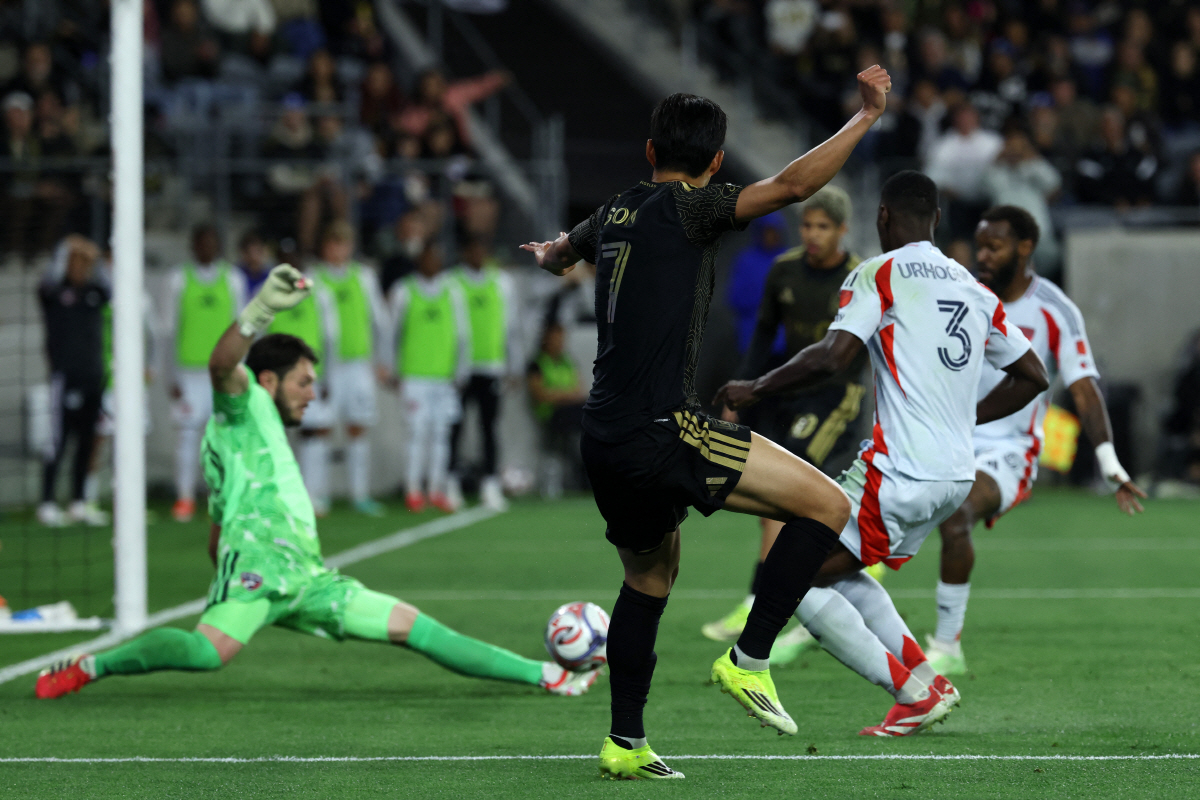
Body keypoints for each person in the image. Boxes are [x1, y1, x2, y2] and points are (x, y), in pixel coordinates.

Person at [523, 67, 892, 780]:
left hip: (602, 436)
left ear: (649, 148)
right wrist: (865, 118)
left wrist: (549, 252)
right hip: (664, 429)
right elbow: (789, 187)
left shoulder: (616, 209)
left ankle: (624, 744)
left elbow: (564, 250)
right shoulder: (692, 208)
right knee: (828, 505)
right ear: (715, 163)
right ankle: (749, 657)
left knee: (650, 577)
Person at [34, 266, 597, 701]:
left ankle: (548, 676)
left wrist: (225, 560)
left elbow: (217, 526)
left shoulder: (248, 436)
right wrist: (261, 310)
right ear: (269, 380)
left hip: (305, 576)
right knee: (208, 655)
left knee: (416, 629)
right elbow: (220, 363)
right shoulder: (245, 404)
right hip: (261, 569)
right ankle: (90, 665)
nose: (311, 393)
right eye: (304, 382)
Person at [715, 171, 1048, 737]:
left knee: (789, 572)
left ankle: (910, 692)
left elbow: (834, 353)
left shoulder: (878, 273)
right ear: (937, 221)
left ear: (883, 219)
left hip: (898, 470)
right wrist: (961, 417)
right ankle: (924, 678)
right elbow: (1032, 375)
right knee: (835, 570)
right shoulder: (974, 287)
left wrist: (756, 387)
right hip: (954, 478)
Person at [925, 205, 1146, 676]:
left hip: (1009, 451)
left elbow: (1084, 387)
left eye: (995, 246)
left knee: (957, 512)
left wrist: (1109, 462)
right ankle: (819, 617)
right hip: (948, 437)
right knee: (884, 515)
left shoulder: (1054, 308)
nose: (983, 255)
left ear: (1025, 248)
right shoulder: (962, 294)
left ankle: (947, 646)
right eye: (979, 245)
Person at [703, 186, 868, 663]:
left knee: (787, 496)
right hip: (786, 394)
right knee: (783, 504)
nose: (813, 235)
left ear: (841, 230)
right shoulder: (784, 271)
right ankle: (831, 583)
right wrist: (744, 389)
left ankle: (762, 601)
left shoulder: (858, 277)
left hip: (839, 395)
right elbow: (761, 338)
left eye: (823, 227)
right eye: (808, 225)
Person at [165, 224, 246, 522]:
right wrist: (170, 375)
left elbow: (243, 328)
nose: (207, 248)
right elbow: (169, 330)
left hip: (223, 373)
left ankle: (226, 498)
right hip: (188, 374)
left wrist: (241, 371)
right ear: (193, 246)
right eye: (202, 242)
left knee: (226, 439)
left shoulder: (233, 280)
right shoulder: (178, 280)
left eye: (212, 242)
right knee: (187, 435)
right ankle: (184, 497)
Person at [310, 220, 391, 516]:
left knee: (358, 427)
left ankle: (360, 494)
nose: (337, 250)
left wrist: (383, 361)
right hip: (325, 367)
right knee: (320, 428)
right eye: (332, 244)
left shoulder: (364, 277)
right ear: (324, 248)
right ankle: (317, 495)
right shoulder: (313, 278)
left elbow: (379, 321)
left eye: (342, 244)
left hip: (357, 366)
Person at [389, 243, 470, 513]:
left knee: (441, 434)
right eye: (427, 258)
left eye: (436, 258)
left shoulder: (453, 292)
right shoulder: (404, 290)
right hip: (414, 376)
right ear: (419, 261)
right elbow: (393, 333)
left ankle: (436, 488)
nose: (432, 263)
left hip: (444, 377)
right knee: (416, 432)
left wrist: (461, 370)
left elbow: (462, 335)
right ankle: (413, 489)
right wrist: (392, 368)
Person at [36, 236, 109, 527]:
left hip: (93, 376)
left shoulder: (95, 291)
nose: (80, 267)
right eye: (75, 261)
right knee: (57, 442)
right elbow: (46, 281)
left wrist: (95, 255)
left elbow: (112, 285)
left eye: (85, 262)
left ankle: (79, 501)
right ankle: (47, 503)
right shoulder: (54, 292)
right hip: (63, 378)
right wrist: (65, 247)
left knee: (86, 442)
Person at [448, 236, 521, 512]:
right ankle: (450, 482)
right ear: (465, 252)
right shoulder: (452, 282)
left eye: (483, 249)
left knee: (489, 428)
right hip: (460, 369)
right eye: (473, 249)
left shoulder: (501, 283)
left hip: (491, 366)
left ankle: (490, 483)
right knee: (455, 428)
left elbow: (511, 327)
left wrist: (513, 366)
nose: (478, 254)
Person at [264, 262, 334, 514]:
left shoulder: (320, 295)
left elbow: (329, 336)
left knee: (313, 432)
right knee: (274, 437)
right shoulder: (267, 296)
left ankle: (311, 495)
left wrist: (328, 376)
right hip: (277, 378)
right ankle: (275, 498)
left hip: (308, 377)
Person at [527, 321, 588, 499]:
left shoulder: (567, 361)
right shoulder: (537, 363)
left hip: (571, 410)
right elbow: (540, 395)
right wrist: (565, 395)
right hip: (551, 414)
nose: (560, 342)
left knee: (592, 422)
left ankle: (589, 478)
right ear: (546, 339)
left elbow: (579, 389)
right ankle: (581, 479)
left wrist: (559, 394)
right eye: (556, 338)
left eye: (562, 338)